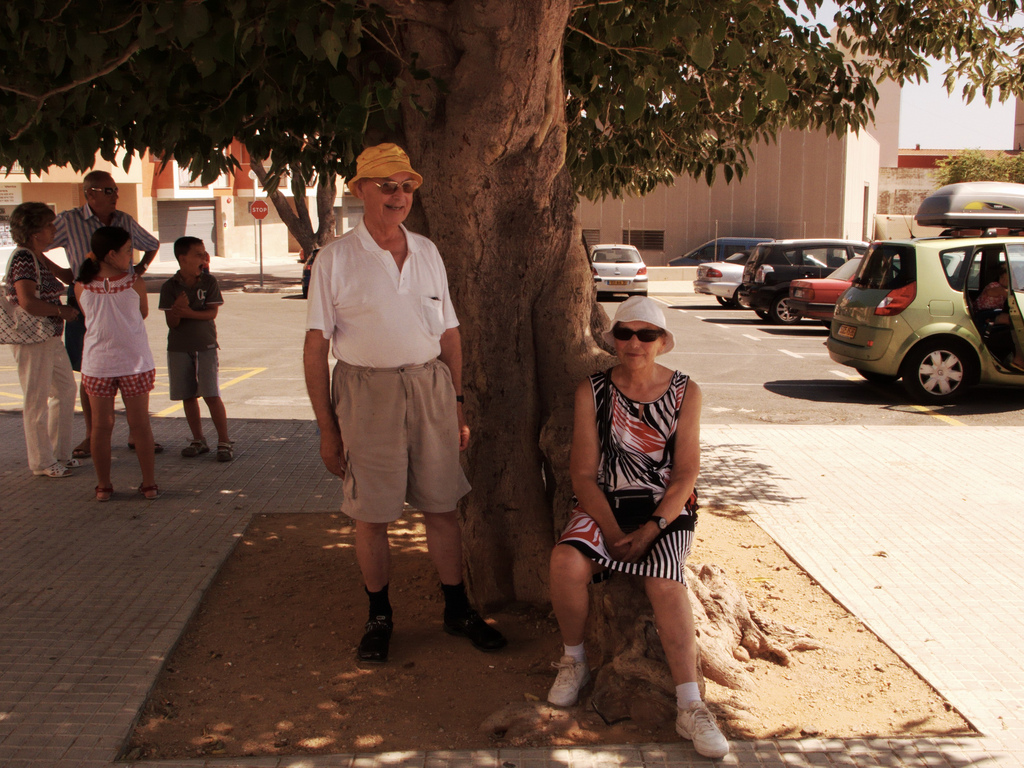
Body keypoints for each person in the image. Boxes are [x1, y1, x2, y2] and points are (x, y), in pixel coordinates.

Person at [303, 143, 506, 663]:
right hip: (365, 391)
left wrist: (457, 404)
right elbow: (316, 347)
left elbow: (451, 334)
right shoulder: (335, 259)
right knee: (371, 514)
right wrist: (328, 428)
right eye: (386, 185)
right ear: (360, 189)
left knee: (441, 504)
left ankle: (457, 610)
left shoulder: (428, 252)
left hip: (431, 387)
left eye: (406, 186)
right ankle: (379, 616)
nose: (398, 195)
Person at [546, 296, 729, 759]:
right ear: (614, 339)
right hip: (605, 503)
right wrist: (607, 529)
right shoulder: (593, 391)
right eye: (625, 333)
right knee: (566, 562)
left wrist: (651, 530)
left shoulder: (686, 392)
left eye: (647, 335)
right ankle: (575, 660)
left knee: (664, 583)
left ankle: (690, 704)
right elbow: (583, 475)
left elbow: (686, 473)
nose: (634, 343)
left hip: (665, 509)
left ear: (662, 342)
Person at [44, 169, 161, 459]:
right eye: (108, 190)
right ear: (90, 193)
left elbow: (153, 244)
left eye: (115, 190)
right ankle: (91, 434)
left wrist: (140, 270)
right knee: (91, 368)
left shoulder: (124, 221)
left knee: (130, 361)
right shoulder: (70, 221)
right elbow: (37, 246)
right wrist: (63, 274)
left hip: (124, 292)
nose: (115, 196)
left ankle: (138, 433)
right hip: (85, 295)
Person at [74, 227, 159, 501]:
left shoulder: (81, 285)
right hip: (135, 363)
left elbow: (90, 317)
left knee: (100, 427)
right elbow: (142, 313)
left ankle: (103, 486)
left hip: (97, 364)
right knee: (140, 425)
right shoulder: (135, 283)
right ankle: (149, 485)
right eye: (127, 250)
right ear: (111, 254)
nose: (131, 255)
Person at [4, 202, 81, 478]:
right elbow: (27, 301)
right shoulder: (24, 258)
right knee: (36, 399)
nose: (54, 230)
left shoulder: (36, 255)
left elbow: (66, 276)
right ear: (35, 232)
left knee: (64, 390)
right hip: (32, 339)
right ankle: (41, 461)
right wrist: (61, 310)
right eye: (49, 225)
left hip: (49, 336)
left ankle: (59, 454)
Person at [158, 237, 232, 461]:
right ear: (183, 259)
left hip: (205, 345)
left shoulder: (209, 282)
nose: (204, 258)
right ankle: (198, 439)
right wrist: (176, 311)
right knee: (187, 395)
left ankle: (224, 441)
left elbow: (211, 313)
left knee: (210, 393)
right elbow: (172, 323)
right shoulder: (170, 287)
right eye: (198, 254)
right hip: (179, 347)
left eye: (204, 253)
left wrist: (186, 312)